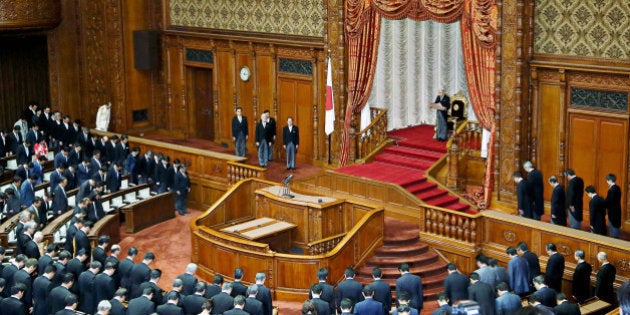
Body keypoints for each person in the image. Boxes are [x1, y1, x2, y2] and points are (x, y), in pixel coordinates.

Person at [605, 173, 622, 238]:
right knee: (616, 227)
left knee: (613, 229)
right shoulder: (618, 188)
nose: (606, 182)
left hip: (612, 212)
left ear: (610, 180)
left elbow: (608, 201)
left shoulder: (611, 190)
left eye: (607, 180)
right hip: (617, 210)